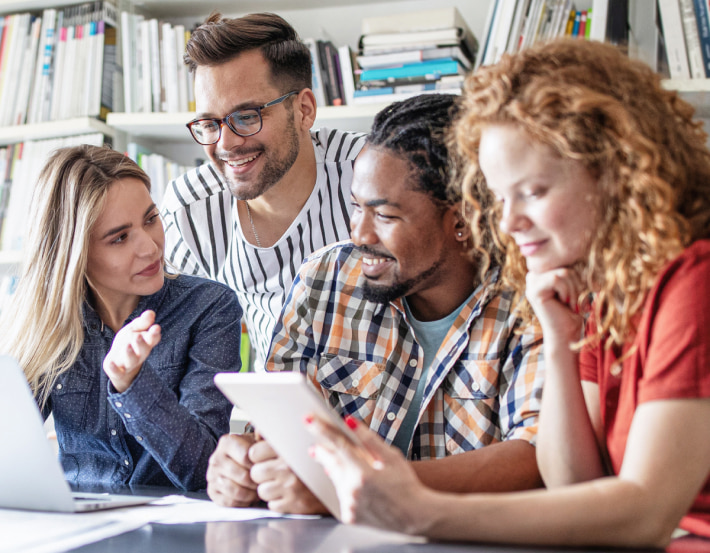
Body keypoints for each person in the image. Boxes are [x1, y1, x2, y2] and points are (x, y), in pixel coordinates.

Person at [304, 38, 710, 548]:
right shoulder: (600, 290)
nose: (509, 223)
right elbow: (573, 484)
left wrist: (423, 512)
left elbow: (645, 511)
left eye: (534, 192)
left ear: (615, 172)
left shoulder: (694, 279)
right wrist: (561, 343)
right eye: (499, 198)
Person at [205, 94, 545, 513]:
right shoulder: (323, 280)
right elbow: (275, 433)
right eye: (355, 207)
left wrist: (358, 485)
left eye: (383, 216)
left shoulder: (531, 300)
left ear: (462, 220)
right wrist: (242, 465)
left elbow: (534, 456)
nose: (359, 234)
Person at [0, 145, 242, 491]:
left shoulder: (210, 308)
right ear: (75, 253)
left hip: (172, 533)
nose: (151, 247)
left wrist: (131, 383)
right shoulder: (46, 323)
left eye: (151, 219)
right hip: (78, 530)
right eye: (120, 238)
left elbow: (204, 471)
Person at [161, 12, 366, 368]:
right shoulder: (188, 212)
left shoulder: (368, 174)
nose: (226, 144)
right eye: (210, 123)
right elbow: (177, 350)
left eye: (247, 116)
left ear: (303, 110)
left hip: (386, 414)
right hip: (276, 413)